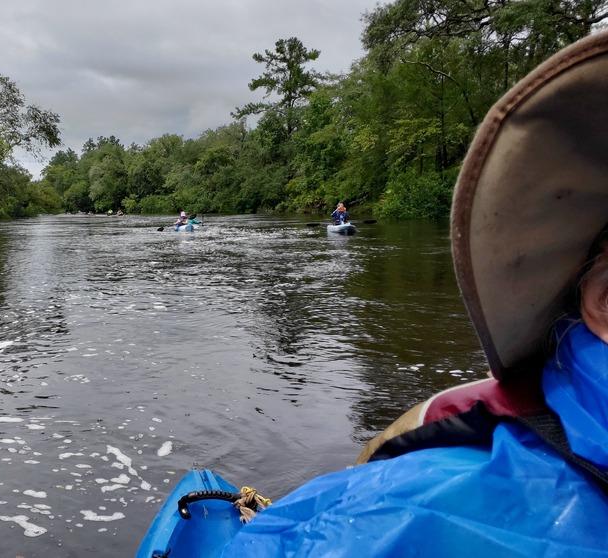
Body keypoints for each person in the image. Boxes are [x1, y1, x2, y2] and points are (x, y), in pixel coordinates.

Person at [220, 32, 608, 557]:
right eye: (339, 212)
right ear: (601, 299)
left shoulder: (396, 508)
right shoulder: (411, 507)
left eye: (340, 211)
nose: (339, 213)